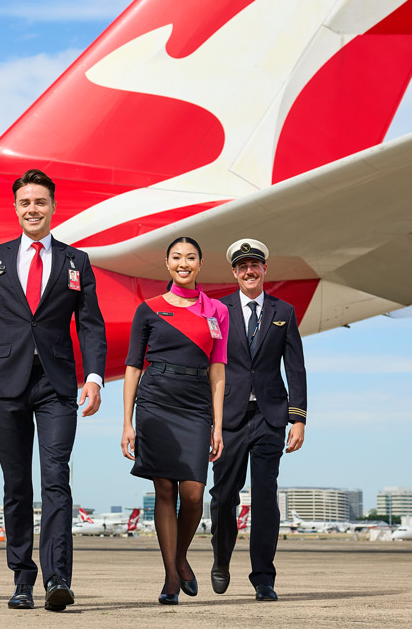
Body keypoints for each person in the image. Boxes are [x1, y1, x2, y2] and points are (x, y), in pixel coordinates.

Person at [0, 169, 107, 612]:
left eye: (40, 202)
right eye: (25, 202)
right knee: (16, 485)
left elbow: (90, 324)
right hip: (6, 385)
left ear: (53, 207)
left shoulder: (74, 261)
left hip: (57, 384)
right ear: (16, 208)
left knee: (56, 478)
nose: (33, 209)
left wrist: (95, 377)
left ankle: (58, 577)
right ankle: (23, 578)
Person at [121, 237, 226, 605]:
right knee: (164, 490)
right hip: (155, 401)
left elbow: (218, 371)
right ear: (167, 264)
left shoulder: (217, 311)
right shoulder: (148, 309)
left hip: (196, 404)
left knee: (193, 494)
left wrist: (218, 424)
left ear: (200, 264)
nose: (184, 263)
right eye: (177, 258)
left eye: (191, 258)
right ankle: (170, 578)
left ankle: (181, 556)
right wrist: (127, 422)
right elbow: (133, 367)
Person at [209, 238, 307, 602]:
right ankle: (221, 559)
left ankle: (263, 578)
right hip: (229, 419)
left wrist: (298, 419)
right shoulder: (218, 311)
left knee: (266, 498)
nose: (250, 271)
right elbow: (210, 366)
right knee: (222, 497)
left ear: (265, 269)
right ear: (234, 272)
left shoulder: (284, 311)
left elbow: (295, 367)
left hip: (270, 418)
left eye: (255, 265)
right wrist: (210, 421)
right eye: (242, 266)